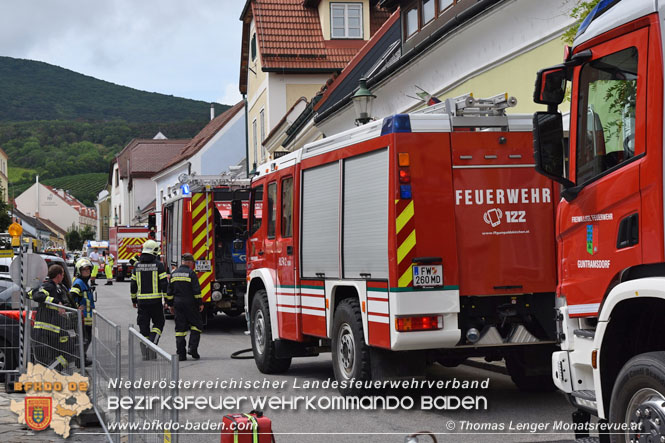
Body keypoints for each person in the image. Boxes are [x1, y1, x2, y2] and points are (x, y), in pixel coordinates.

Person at [29, 264, 79, 370]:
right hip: (48, 328)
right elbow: (38, 296)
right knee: (69, 349)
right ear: (58, 275)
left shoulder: (58, 287)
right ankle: (52, 370)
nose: (63, 276)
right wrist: (57, 303)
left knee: (67, 350)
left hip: (55, 328)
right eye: (63, 274)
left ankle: (53, 369)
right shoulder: (49, 286)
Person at [130, 239, 168, 358]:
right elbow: (164, 284)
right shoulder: (159, 265)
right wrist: (167, 300)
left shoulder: (137, 266)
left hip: (142, 303)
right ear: (155, 251)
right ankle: (152, 344)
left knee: (143, 327)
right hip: (156, 302)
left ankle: (145, 354)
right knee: (159, 323)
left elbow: (133, 285)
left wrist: (134, 300)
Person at [166, 253, 203, 361]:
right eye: (192, 262)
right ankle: (192, 348)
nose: (192, 265)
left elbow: (169, 292)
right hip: (190, 303)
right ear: (189, 262)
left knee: (180, 329)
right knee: (196, 325)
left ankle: (181, 355)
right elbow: (196, 291)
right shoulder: (191, 273)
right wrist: (200, 303)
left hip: (178, 304)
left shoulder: (174, 274)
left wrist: (170, 305)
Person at [71, 258, 95, 366]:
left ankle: (82, 358)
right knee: (85, 339)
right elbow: (71, 297)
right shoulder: (78, 283)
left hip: (87, 317)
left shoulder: (84, 283)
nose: (86, 271)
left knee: (86, 339)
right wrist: (76, 307)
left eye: (88, 269)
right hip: (82, 318)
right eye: (84, 270)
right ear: (78, 271)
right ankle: (79, 360)